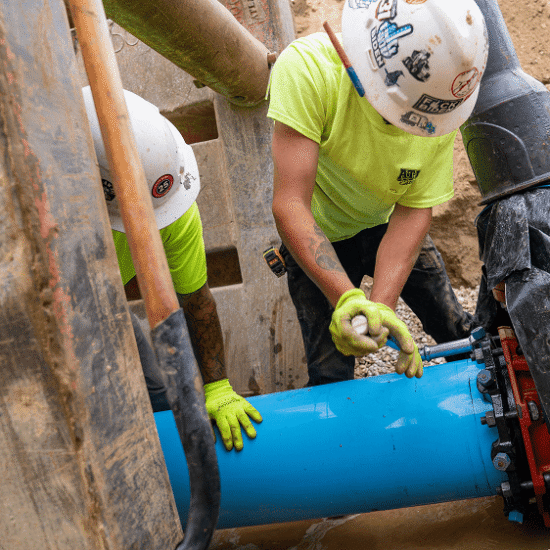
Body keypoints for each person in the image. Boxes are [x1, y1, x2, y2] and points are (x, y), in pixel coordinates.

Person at [267, 0, 489, 386]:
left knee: (459, 334)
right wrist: (348, 299)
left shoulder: (439, 101)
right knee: (332, 374)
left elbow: (414, 210)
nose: (407, 131)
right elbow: (290, 203)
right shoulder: (308, 70)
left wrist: (381, 310)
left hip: (387, 222)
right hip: (321, 230)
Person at [82, 86, 262, 451]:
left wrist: (217, 388)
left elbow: (197, 301)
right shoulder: (42, 216)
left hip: (104, 306)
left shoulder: (171, 211)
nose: (152, 226)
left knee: (159, 401)